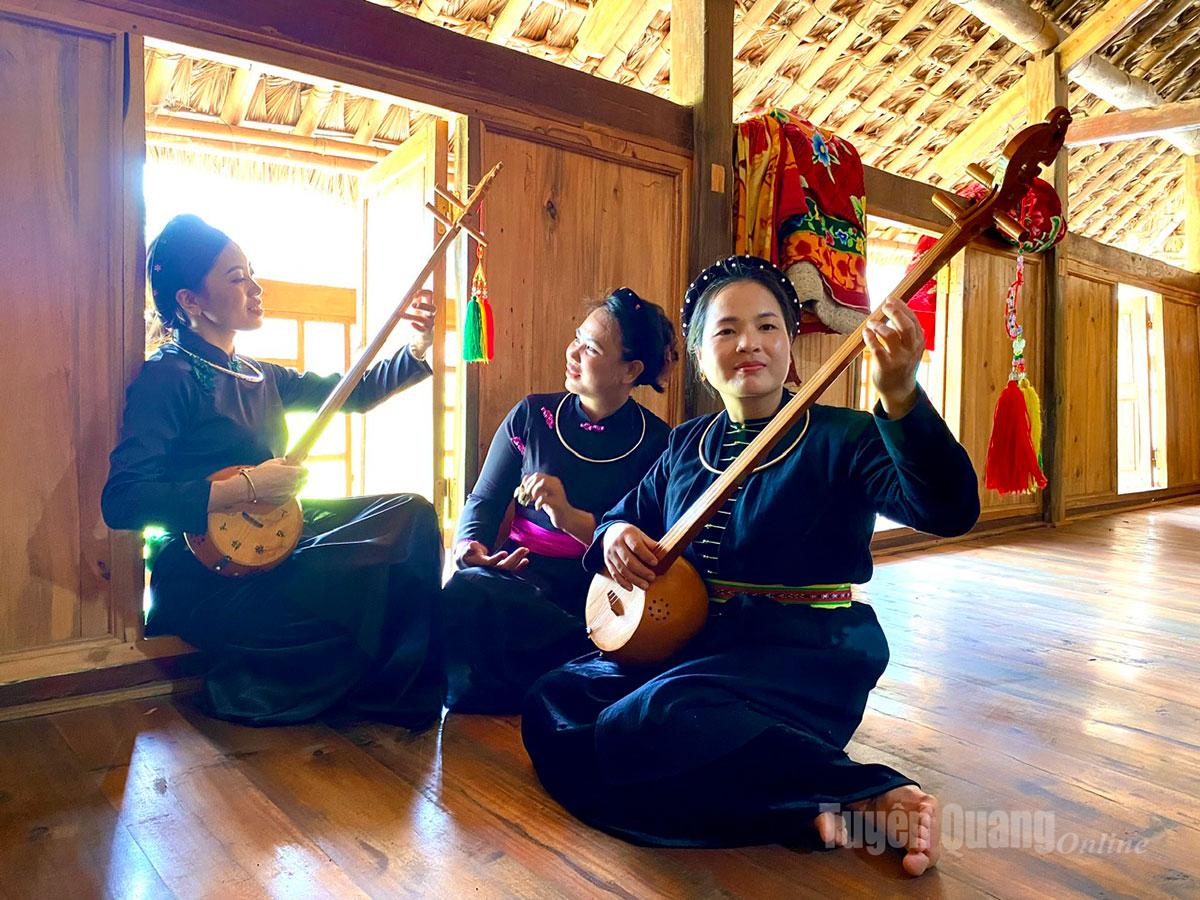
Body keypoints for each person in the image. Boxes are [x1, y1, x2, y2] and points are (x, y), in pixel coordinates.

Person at [521, 255, 980, 876]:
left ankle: (864, 787)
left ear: (791, 344)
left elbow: (948, 510)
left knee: (657, 717)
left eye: (768, 327)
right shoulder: (687, 443)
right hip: (693, 647)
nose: (749, 344)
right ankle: (798, 808)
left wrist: (900, 396)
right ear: (702, 356)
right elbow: (620, 517)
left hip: (800, 653)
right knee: (557, 697)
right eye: (726, 330)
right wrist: (616, 535)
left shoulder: (841, 437)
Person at [102, 213, 444, 727]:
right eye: (236, 278)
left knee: (410, 516)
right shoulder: (167, 376)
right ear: (189, 301)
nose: (255, 288)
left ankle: (397, 691)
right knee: (336, 598)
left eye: (251, 273)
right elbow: (124, 499)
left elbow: (355, 391)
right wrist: (248, 486)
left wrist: (418, 345)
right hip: (203, 569)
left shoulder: (261, 374)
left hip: (277, 542)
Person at [440, 288, 677, 713]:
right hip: (520, 577)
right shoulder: (532, 415)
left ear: (630, 370)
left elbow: (649, 545)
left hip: (595, 591)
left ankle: (565, 679)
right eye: (577, 337)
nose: (573, 351)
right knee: (468, 587)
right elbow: (484, 499)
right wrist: (469, 546)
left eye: (591, 347)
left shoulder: (658, 444)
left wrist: (568, 517)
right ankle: (561, 682)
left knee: (621, 642)